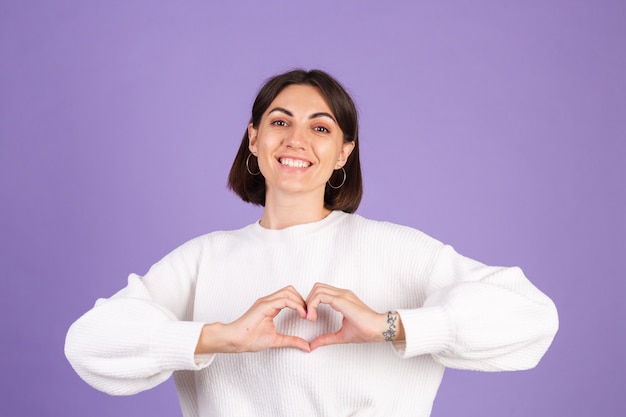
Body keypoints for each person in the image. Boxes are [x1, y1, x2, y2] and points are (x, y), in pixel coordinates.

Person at [65, 69, 559, 416]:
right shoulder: (202, 259)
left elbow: (532, 318)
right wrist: (220, 337)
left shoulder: (402, 251)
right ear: (254, 139)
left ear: (344, 152)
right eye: (280, 122)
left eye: (320, 128)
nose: (296, 140)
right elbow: (89, 344)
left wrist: (391, 326)